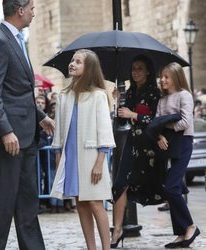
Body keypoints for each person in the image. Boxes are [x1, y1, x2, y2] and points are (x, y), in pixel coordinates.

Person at [0, 1, 54, 249]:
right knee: (3, 205)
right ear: (20, 10)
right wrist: (5, 131)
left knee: (28, 204)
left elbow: (18, 94)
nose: (34, 12)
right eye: (32, 8)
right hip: (8, 140)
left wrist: (40, 116)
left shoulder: (19, 41)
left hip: (27, 136)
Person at [50, 49, 115, 250]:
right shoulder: (63, 96)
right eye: (72, 60)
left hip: (91, 158)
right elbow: (60, 130)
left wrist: (99, 162)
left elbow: (104, 130)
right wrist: (58, 154)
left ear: (89, 68)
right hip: (70, 158)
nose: (72, 64)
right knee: (80, 204)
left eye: (78, 62)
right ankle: (91, 248)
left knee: (96, 203)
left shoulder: (98, 96)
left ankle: (106, 247)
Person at [111, 55, 161, 248]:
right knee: (120, 185)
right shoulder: (130, 93)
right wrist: (118, 102)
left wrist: (134, 114)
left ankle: (184, 227)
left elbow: (157, 119)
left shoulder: (155, 93)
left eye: (140, 68)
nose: (136, 72)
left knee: (165, 188)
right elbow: (122, 121)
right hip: (133, 144)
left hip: (150, 146)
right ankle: (118, 230)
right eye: (133, 68)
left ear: (148, 71)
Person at [156, 62, 200, 248]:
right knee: (173, 188)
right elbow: (156, 122)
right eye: (162, 76)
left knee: (171, 188)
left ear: (176, 77)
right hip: (166, 144)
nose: (163, 80)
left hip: (182, 143)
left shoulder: (184, 95)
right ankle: (181, 233)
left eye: (167, 76)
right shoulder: (161, 100)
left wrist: (165, 126)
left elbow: (185, 122)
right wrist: (158, 135)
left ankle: (190, 226)